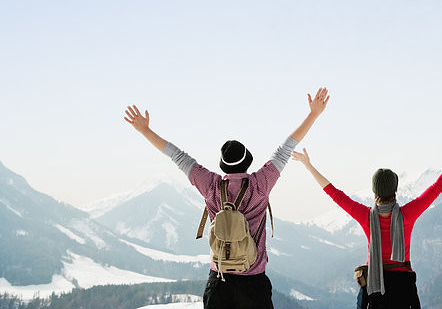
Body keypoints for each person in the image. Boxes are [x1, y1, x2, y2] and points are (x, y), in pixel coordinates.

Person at [123, 87, 330, 309]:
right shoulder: (260, 184)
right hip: (254, 284)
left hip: (219, 283)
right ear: (247, 161)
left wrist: (145, 130)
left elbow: (177, 156)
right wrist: (313, 114)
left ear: (223, 164)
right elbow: (286, 148)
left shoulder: (210, 185)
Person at [292, 138, 442, 309]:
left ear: (374, 191)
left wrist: (308, 165)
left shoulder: (366, 216)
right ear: (395, 189)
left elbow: (334, 193)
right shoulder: (408, 213)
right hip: (404, 286)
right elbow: (438, 187)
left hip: (374, 287)